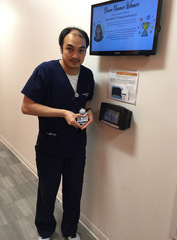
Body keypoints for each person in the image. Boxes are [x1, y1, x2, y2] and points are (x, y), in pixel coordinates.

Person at [21, 27, 95, 240]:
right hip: (50, 145)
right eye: (70, 49)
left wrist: (89, 111)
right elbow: (27, 106)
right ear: (61, 48)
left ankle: (70, 231)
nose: (75, 56)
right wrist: (63, 113)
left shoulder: (88, 75)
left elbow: (86, 103)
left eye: (81, 50)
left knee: (74, 191)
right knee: (47, 191)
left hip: (76, 145)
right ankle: (45, 231)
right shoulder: (45, 71)